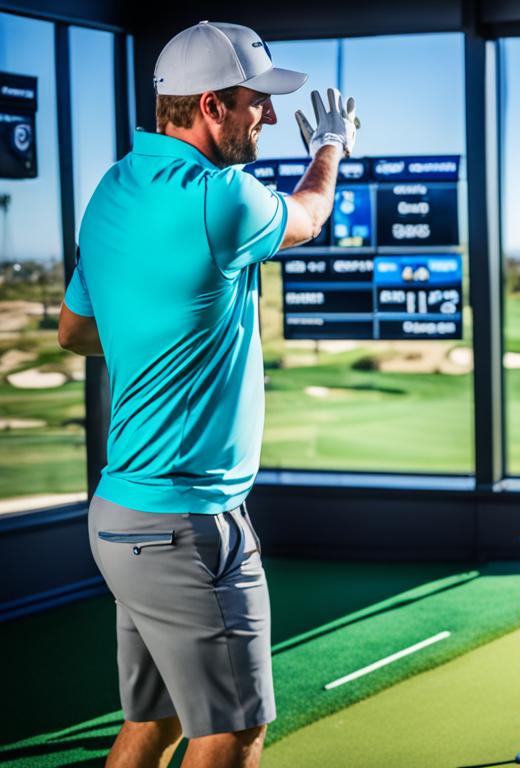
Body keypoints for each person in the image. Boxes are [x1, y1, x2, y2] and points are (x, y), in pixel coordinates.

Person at [58, 21, 357, 768]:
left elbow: (74, 332)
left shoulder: (112, 191)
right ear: (212, 106)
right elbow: (312, 215)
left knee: (151, 725)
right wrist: (332, 147)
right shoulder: (222, 198)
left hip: (122, 520)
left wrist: (154, 334)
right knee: (232, 732)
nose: (269, 117)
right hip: (187, 529)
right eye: (256, 102)